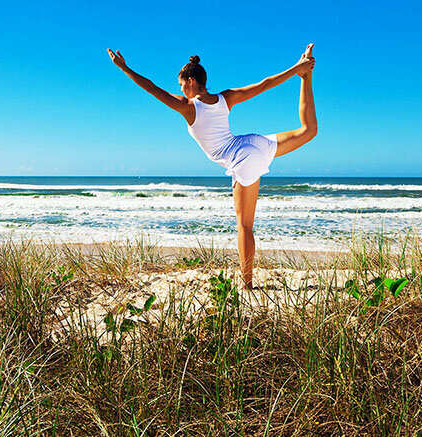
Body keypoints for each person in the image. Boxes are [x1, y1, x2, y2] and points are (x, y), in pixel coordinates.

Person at [107, 44, 317, 289]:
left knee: (245, 225)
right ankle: (307, 77)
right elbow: (265, 84)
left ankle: (247, 284)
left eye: (181, 84)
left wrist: (125, 68)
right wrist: (297, 69)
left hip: (241, 157)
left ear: (191, 81)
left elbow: (152, 88)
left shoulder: (188, 107)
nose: (180, 89)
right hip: (252, 143)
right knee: (308, 130)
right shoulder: (225, 98)